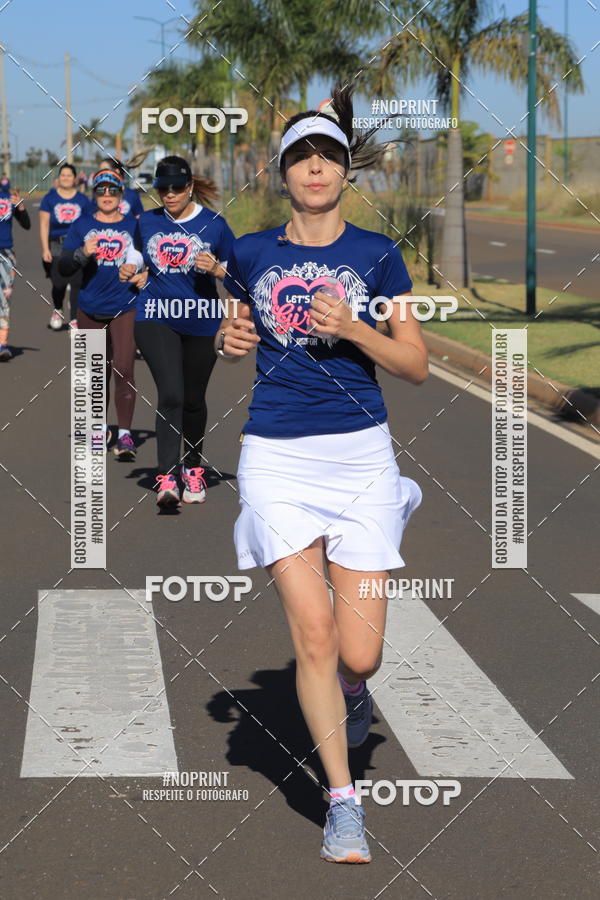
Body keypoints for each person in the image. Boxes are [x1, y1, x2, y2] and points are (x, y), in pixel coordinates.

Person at [218, 83, 428, 863]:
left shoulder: (377, 254)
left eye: (328, 156)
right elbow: (236, 324)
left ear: (345, 171)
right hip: (276, 456)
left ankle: (354, 693)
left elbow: (415, 365)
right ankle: (344, 803)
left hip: (360, 454)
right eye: (301, 156)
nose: (315, 167)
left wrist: (358, 331)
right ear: (282, 172)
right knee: (312, 635)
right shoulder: (252, 251)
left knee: (360, 654)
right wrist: (228, 342)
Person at [119, 155, 234, 507]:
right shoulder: (147, 220)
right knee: (170, 393)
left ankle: (193, 468)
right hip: (156, 316)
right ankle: (167, 476)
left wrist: (216, 269)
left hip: (202, 320)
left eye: (176, 188)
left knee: (193, 400)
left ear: (190, 187)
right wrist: (129, 266)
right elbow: (136, 252)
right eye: (162, 188)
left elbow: (238, 272)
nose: (169, 195)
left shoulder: (214, 224)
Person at [59, 168, 139, 459]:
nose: (107, 195)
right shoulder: (82, 225)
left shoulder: (134, 226)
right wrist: (83, 253)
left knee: (124, 367)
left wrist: (139, 275)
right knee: (95, 373)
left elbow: (147, 263)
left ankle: (126, 435)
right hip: (89, 306)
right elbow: (64, 267)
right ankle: (98, 428)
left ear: (121, 194)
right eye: (101, 190)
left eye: (113, 190)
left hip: (125, 305)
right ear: (94, 194)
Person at [39, 162, 91, 330]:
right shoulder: (50, 198)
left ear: (75, 179)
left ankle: (75, 318)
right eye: (63, 175)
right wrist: (45, 249)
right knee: (58, 284)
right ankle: (58, 308)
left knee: (77, 283)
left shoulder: (83, 200)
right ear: (59, 178)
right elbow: (44, 224)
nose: (66, 178)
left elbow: (89, 224)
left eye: (69, 175)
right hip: (56, 245)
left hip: (77, 245)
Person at [0, 185, 31, 360]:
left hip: (6, 255)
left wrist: (20, 205)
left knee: (3, 300)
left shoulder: (7, 198)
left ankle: (2, 345)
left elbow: (26, 224)